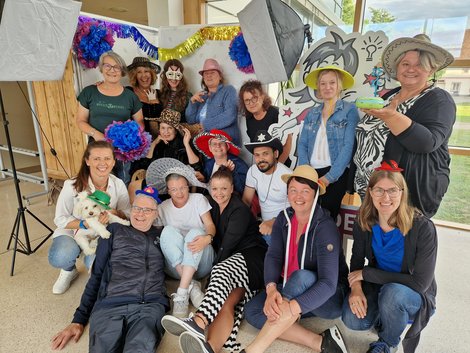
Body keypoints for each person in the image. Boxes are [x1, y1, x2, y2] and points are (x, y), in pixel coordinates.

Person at [242, 165, 349, 353]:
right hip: (290, 287)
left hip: (328, 297)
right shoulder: (283, 219)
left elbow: (329, 284)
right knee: (252, 311)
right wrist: (271, 289)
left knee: (301, 277)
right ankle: (321, 343)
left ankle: (252, 350)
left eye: (305, 191)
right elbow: (273, 255)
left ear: (315, 194)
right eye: (293, 190)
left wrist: (291, 307)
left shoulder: (325, 226)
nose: (298, 196)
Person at [160, 167, 268, 353]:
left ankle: (198, 321)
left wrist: (212, 280)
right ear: (210, 189)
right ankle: (210, 347)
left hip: (251, 258)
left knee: (219, 272)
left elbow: (226, 247)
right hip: (234, 261)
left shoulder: (239, 211)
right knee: (228, 302)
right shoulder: (213, 204)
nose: (219, 193)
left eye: (224, 189)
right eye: (215, 189)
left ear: (232, 188)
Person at [50, 187, 169, 352]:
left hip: (148, 306)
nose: (140, 213)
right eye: (136, 208)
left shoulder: (164, 235)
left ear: (156, 214)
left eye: (147, 210)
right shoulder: (114, 230)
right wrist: (79, 319)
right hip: (110, 305)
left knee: (139, 348)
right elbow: (97, 274)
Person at [353, 34, 456, 217]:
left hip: (406, 195)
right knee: (374, 241)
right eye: (405, 64)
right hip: (372, 192)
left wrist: (392, 117)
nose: (411, 69)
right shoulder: (389, 96)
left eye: (419, 65)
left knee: (402, 243)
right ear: (397, 68)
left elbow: (427, 143)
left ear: (431, 70)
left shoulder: (439, 100)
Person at [342, 160, 438, 353]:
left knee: (393, 294)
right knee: (352, 320)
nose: (385, 197)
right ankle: (387, 316)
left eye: (392, 190)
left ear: (402, 193)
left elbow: (420, 284)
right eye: (379, 190)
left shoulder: (422, 227)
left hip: (411, 293)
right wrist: (356, 288)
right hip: (378, 286)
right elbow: (357, 260)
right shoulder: (364, 219)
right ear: (370, 192)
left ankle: (386, 342)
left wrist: (367, 275)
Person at [48, 141, 130, 295]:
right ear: (87, 161)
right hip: (73, 231)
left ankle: (88, 257)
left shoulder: (118, 184)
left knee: (98, 267)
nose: (102, 163)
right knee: (60, 256)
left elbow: (127, 212)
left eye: (107, 158)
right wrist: (84, 223)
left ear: (113, 161)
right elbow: (60, 219)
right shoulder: (71, 185)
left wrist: (114, 213)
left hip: (100, 234)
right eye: (97, 158)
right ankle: (68, 270)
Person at [150, 158, 216, 317]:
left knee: (194, 233)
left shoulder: (199, 200)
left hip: (201, 263)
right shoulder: (162, 207)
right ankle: (191, 287)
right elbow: (160, 238)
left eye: (182, 188)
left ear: (188, 186)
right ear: (168, 190)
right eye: (174, 189)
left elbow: (210, 225)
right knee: (167, 231)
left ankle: (181, 292)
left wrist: (208, 238)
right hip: (176, 267)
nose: (179, 193)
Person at [298, 65, 359, 221]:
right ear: (318, 87)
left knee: (326, 218)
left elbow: (348, 146)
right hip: (311, 171)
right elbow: (302, 143)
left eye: (332, 82)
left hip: (335, 173)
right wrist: (306, 171)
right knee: (307, 216)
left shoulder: (349, 110)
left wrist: (329, 177)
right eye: (323, 83)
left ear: (339, 86)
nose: (327, 87)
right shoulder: (312, 113)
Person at [76, 51, 144, 185]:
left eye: (116, 67)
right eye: (107, 66)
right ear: (101, 68)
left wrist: (131, 136)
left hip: (122, 149)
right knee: (98, 181)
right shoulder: (89, 92)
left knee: (122, 181)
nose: (112, 70)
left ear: (122, 71)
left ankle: (120, 206)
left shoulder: (130, 96)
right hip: (97, 147)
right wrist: (96, 134)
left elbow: (140, 121)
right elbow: (80, 121)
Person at [242, 130, 292, 244]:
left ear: (275, 154)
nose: (261, 159)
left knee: (269, 243)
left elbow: (297, 210)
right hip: (262, 224)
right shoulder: (253, 171)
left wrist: (274, 222)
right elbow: (246, 201)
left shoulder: (287, 176)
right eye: (257, 155)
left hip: (284, 224)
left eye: (265, 153)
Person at [129, 108, 201, 177]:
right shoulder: (158, 144)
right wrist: (154, 144)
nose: (166, 132)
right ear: (159, 129)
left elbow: (197, 167)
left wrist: (186, 145)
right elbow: (143, 166)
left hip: (178, 181)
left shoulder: (185, 143)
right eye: (163, 128)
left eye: (170, 128)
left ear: (175, 131)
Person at [185, 58, 240, 145]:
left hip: (224, 145)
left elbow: (230, 115)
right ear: (203, 78)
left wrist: (205, 125)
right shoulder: (201, 96)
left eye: (212, 73)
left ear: (220, 76)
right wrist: (192, 102)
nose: (208, 76)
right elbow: (190, 120)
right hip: (204, 145)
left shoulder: (228, 90)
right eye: (206, 73)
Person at [239, 79, 292, 164]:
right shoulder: (249, 118)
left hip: (281, 164)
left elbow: (288, 142)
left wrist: (278, 166)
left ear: (262, 97)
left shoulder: (276, 114)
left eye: (254, 98)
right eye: (247, 100)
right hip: (263, 166)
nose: (251, 103)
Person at [193, 129, 248, 195]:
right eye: (214, 144)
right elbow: (209, 183)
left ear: (227, 147)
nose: (218, 146)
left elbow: (242, 190)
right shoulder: (209, 163)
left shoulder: (240, 165)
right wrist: (204, 179)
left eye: (221, 143)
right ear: (210, 148)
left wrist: (229, 173)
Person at [127, 56, 163, 138]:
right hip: (136, 140)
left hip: (159, 141)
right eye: (139, 72)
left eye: (146, 71)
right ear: (134, 75)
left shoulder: (160, 93)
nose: (144, 75)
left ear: (151, 73)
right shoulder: (128, 92)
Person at [160, 59, 192, 124]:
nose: (174, 79)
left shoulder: (188, 96)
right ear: (165, 75)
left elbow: (189, 120)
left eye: (177, 75)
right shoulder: (160, 94)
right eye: (170, 74)